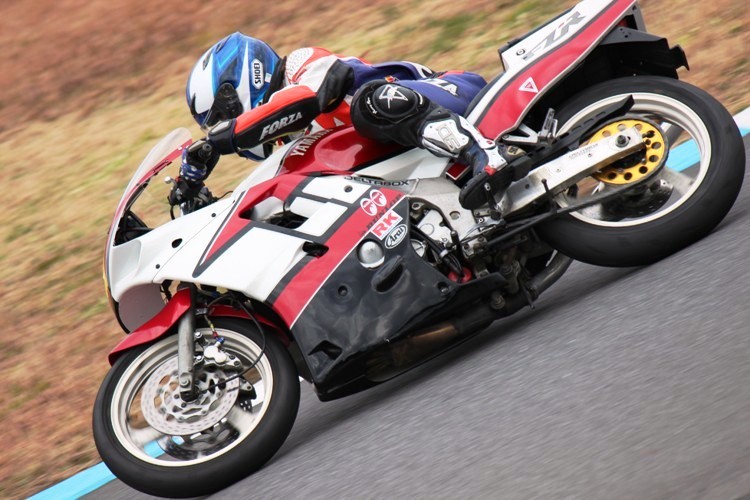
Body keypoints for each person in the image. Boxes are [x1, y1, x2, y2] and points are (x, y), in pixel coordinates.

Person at [171, 32, 519, 211]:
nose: (221, 125)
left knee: (368, 105)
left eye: (221, 117)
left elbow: (306, 100)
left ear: (236, 90)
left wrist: (226, 137)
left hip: (452, 93)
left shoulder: (300, 66)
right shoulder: (291, 140)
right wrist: (194, 194)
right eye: (215, 124)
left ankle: (485, 154)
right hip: (417, 156)